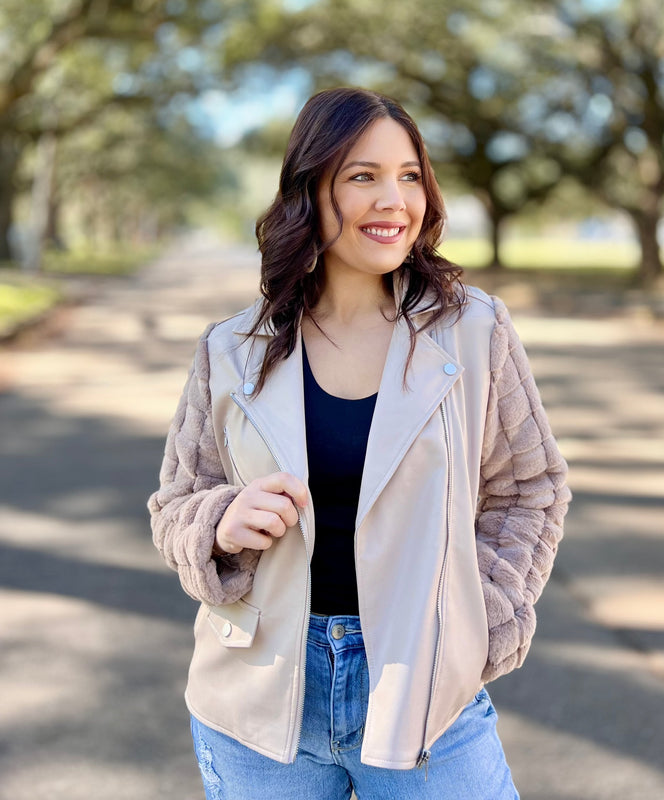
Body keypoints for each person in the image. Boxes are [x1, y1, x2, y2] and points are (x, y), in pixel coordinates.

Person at [148, 86, 570, 800]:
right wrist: (218, 522)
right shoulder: (232, 349)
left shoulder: (474, 331)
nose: (394, 200)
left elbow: (531, 488)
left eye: (409, 176)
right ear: (310, 189)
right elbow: (174, 502)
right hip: (257, 705)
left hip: (425, 688)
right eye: (362, 176)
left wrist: (481, 623)